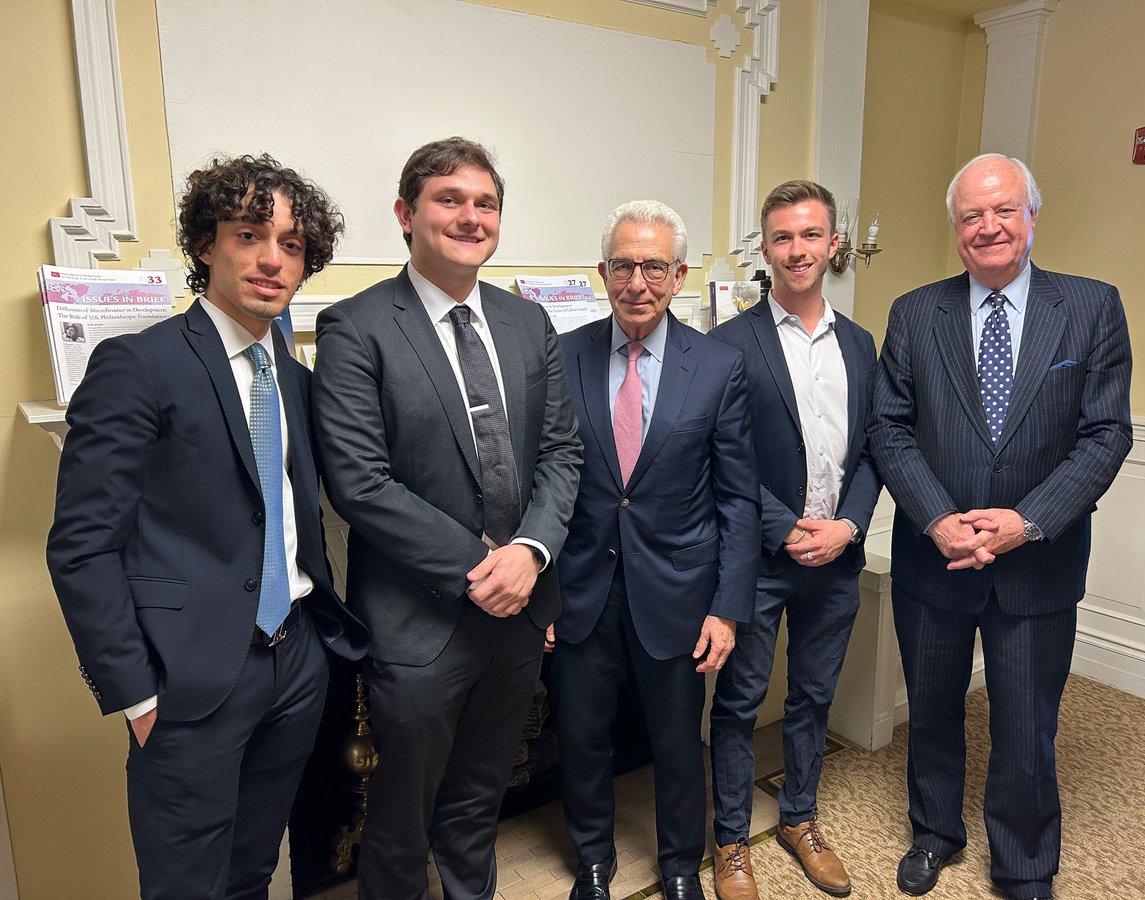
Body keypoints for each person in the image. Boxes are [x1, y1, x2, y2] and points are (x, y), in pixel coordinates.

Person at [46, 153, 368, 899]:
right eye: (250, 233)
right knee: (186, 885)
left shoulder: (291, 375)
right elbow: (82, 545)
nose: (270, 259)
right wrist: (137, 694)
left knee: (254, 872)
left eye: (291, 245)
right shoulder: (138, 366)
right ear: (205, 243)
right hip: (186, 682)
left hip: (295, 664)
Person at [310, 136, 582, 900]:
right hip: (418, 621)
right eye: (449, 199)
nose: (471, 216)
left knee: (478, 798)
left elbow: (562, 453)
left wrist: (528, 553)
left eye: (485, 203)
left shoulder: (529, 325)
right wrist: (478, 569)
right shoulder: (355, 328)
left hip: (520, 610)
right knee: (400, 817)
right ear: (406, 213)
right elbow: (359, 484)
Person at [869, 153, 1133, 900]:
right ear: (955, 229)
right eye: (971, 215)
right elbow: (890, 430)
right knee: (934, 713)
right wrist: (938, 520)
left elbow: (1106, 434)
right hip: (935, 562)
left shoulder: (1089, 306)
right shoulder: (916, 313)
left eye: (1003, 211)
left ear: (1031, 217)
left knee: (1025, 728)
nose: (988, 227)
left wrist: (1029, 521)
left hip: (1037, 565)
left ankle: (1023, 863)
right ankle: (935, 832)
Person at [553, 200, 760, 900]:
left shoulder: (719, 366)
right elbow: (545, 481)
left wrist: (728, 608)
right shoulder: (564, 356)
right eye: (622, 265)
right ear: (600, 272)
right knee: (582, 739)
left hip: (678, 591)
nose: (636, 282)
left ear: (677, 276)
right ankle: (592, 862)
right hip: (582, 589)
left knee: (676, 742)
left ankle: (679, 865)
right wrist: (543, 591)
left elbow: (738, 498)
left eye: (652, 267)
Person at [707, 180, 882, 899]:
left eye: (811, 235)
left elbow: (877, 448)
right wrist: (785, 528)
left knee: (814, 698)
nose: (798, 250)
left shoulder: (862, 344)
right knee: (740, 702)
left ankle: (799, 818)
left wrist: (848, 525)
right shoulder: (727, 345)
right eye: (783, 237)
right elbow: (726, 456)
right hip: (759, 558)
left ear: (834, 242)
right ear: (765, 248)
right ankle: (728, 840)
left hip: (837, 557)